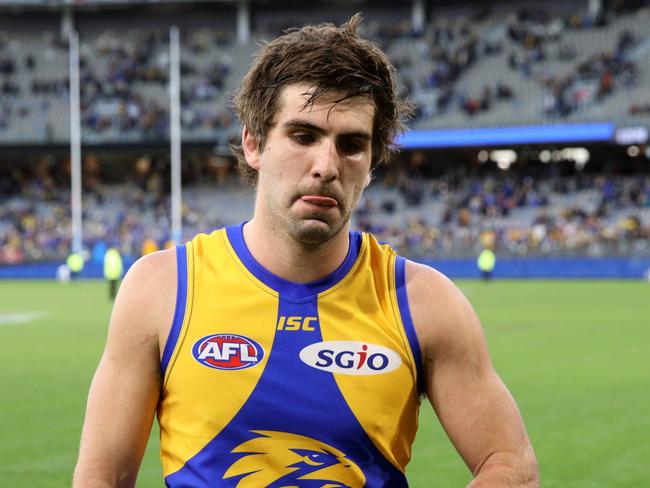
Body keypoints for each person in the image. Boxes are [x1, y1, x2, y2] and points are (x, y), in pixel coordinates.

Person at [74, 15, 538, 487]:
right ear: (254, 144)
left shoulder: (424, 302)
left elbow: (510, 464)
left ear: (372, 164)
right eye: (303, 136)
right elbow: (103, 475)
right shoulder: (162, 287)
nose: (326, 166)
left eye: (352, 144)